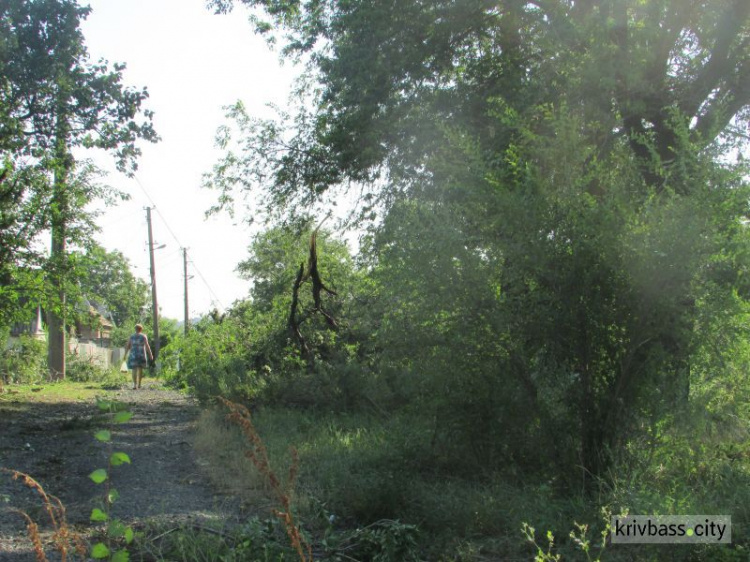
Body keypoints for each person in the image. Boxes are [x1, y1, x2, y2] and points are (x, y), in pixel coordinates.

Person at [125, 324, 154, 390]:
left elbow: (127, 346)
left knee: (134, 370)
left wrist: (125, 354)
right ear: (141, 329)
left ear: (135, 329)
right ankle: (139, 384)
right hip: (141, 355)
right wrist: (150, 355)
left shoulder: (131, 337)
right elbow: (147, 346)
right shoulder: (143, 336)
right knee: (140, 369)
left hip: (133, 354)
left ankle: (135, 384)